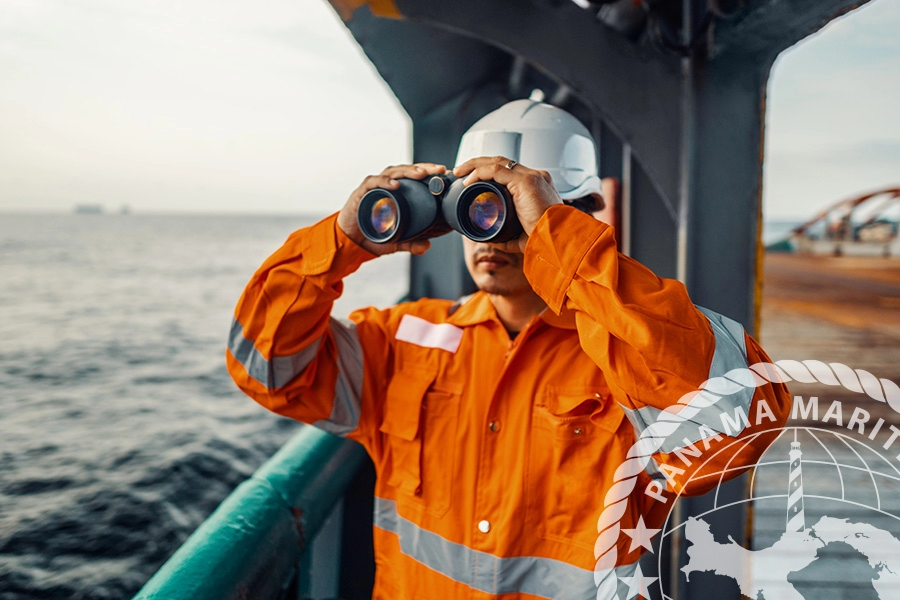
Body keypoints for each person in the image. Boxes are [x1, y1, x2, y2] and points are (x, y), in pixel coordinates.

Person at [226, 100, 791, 599]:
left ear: (572, 214)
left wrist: (561, 242)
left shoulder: (626, 357)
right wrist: (342, 239)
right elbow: (267, 367)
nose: (487, 235)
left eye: (505, 213)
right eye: (474, 212)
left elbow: (739, 423)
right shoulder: (400, 339)